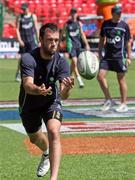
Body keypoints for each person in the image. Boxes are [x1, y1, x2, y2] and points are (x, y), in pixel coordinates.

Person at [19, 23, 74, 179]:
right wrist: (38, 90)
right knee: (34, 137)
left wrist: (67, 88)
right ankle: (46, 152)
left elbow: (63, 95)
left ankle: (53, 177)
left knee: (53, 131)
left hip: (51, 101)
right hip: (29, 103)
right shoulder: (28, 58)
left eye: (56, 40)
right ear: (40, 40)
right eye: (50, 40)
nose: (54, 44)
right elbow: (27, 85)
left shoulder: (62, 62)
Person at [97, 4, 132, 112]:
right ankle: (108, 99)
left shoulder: (124, 26)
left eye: (120, 13)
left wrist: (128, 57)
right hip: (107, 56)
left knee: (121, 79)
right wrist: (99, 52)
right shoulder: (106, 24)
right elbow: (102, 39)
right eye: (118, 13)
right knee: (100, 76)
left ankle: (123, 103)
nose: (119, 15)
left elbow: (128, 43)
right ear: (112, 13)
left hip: (119, 57)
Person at [64, 7, 90, 88]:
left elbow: (82, 34)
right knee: (74, 62)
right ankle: (79, 80)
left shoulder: (79, 24)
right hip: (71, 46)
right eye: (72, 13)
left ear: (76, 14)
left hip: (78, 45)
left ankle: (67, 77)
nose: (73, 14)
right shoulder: (67, 24)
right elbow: (63, 35)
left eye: (75, 13)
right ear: (70, 14)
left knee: (74, 64)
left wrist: (86, 44)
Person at [15, 3, 39, 82]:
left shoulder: (33, 17)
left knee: (34, 57)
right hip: (23, 41)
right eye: (23, 9)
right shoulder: (20, 17)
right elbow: (17, 29)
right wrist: (19, 40)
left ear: (28, 8)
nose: (24, 10)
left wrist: (39, 40)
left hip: (32, 41)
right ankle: (18, 73)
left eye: (25, 8)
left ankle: (33, 73)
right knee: (22, 58)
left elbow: (36, 29)